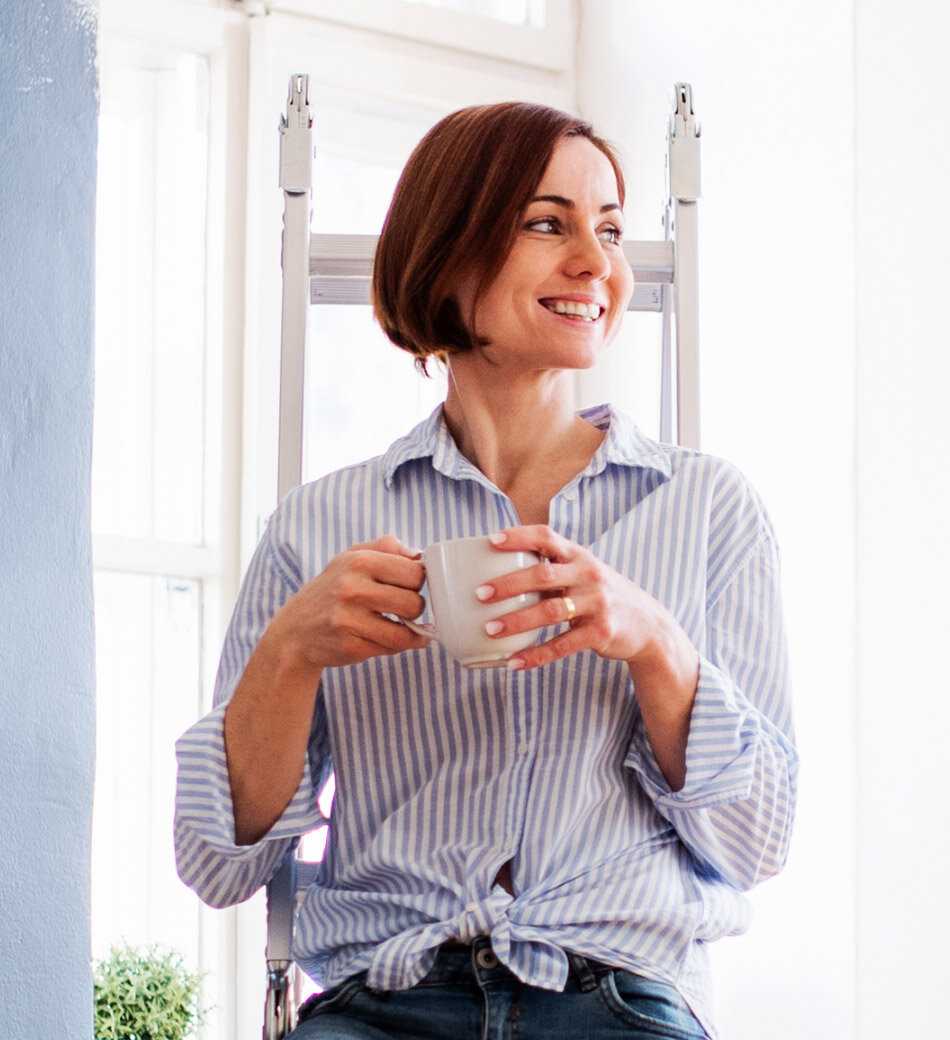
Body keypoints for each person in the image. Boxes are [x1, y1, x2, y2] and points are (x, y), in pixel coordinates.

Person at [174, 101, 799, 1040]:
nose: (597, 261)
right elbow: (217, 865)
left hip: (617, 1001)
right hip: (383, 1003)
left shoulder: (709, 510)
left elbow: (756, 844)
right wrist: (290, 652)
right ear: (450, 251)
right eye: (549, 223)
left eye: (612, 229)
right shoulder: (321, 526)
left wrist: (658, 649)